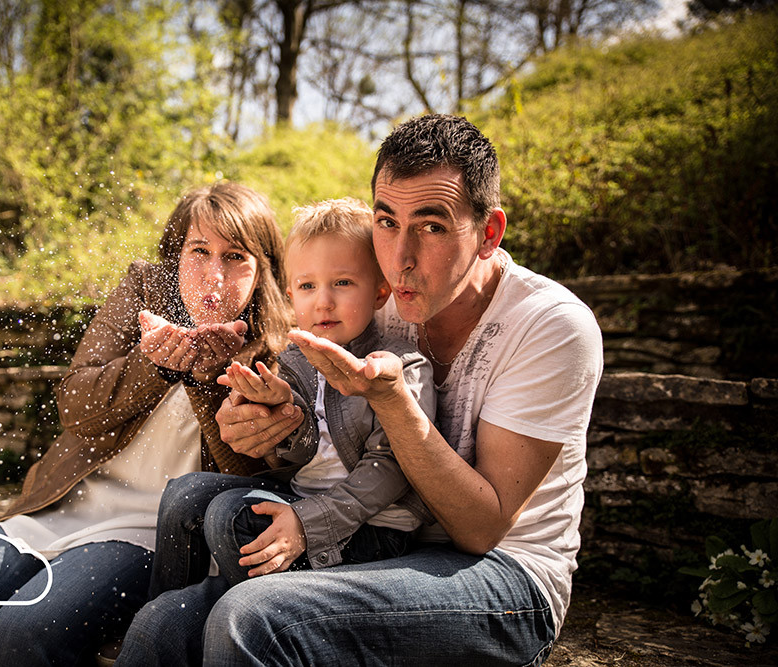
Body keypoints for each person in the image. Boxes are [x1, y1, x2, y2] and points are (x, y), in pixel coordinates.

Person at [115, 114, 604, 666]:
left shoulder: (550, 325)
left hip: (503, 578)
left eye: (433, 225)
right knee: (160, 623)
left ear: (488, 233)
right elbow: (314, 428)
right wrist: (269, 423)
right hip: (371, 529)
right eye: (387, 222)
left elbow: (482, 527)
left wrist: (392, 404)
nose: (400, 257)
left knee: (250, 617)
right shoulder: (374, 297)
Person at [0, 182, 294, 666]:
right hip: (56, 511)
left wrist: (204, 381)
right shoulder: (144, 291)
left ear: (263, 272)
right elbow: (76, 405)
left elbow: (250, 479)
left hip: (146, 537)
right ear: (176, 255)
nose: (213, 275)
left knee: (22, 633)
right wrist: (153, 367)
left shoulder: (276, 351)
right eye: (199, 251)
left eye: (236, 256)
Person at [148, 198, 436, 598]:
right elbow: (297, 457)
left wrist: (306, 520)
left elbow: (392, 470)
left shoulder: (399, 366)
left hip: (372, 528)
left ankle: (252, 618)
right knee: (184, 495)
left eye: (342, 283)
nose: (323, 301)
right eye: (307, 286)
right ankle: (172, 607)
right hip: (301, 498)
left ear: (380, 291)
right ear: (290, 295)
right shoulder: (296, 359)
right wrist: (282, 413)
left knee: (229, 519)